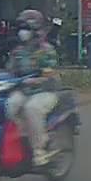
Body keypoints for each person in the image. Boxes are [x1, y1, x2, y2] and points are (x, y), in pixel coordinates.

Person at [5, 10, 61, 167]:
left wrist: (38, 79)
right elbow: (9, 71)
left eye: (26, 29)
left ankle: (39, 150)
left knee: (31, 108)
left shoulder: (46, 50)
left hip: (46, 92)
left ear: (35, 30)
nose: (22, 32)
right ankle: (19, 140)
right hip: (23, 91)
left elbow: (50, 72)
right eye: (21, 28)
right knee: (9, 106)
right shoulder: (17, 51)